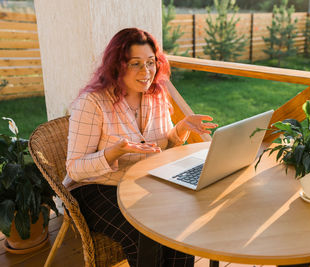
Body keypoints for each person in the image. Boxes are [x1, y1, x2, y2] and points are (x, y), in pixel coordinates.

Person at [63, 28, 218, 267]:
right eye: (135, 64)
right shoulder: (91, 103)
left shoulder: (156, 95)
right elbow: (74, 169)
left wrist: (181, 128)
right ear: (117, 66)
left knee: (180, 223)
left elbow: (165, 143)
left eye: (150, 62)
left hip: (141, 182)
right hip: (94, 187)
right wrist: (112, 153)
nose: (146, 72)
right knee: (143, 233)